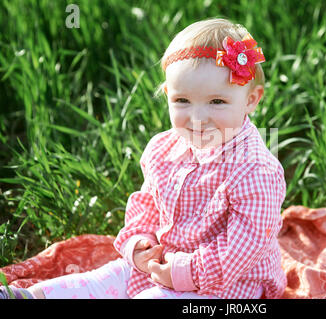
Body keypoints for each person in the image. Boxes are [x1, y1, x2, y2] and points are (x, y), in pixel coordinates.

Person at [0, 17, 287, 299]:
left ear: (251, 99)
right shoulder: (164, 149)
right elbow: (148, 204)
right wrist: (139, 244)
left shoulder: (255, 169)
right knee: (104, 279)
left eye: (217, 102)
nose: (198, 118)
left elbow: (244, 248)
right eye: (182, 101)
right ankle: (30, 296)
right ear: (167, 95)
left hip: (227, 283)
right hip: (163, 260)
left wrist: (186, 273)